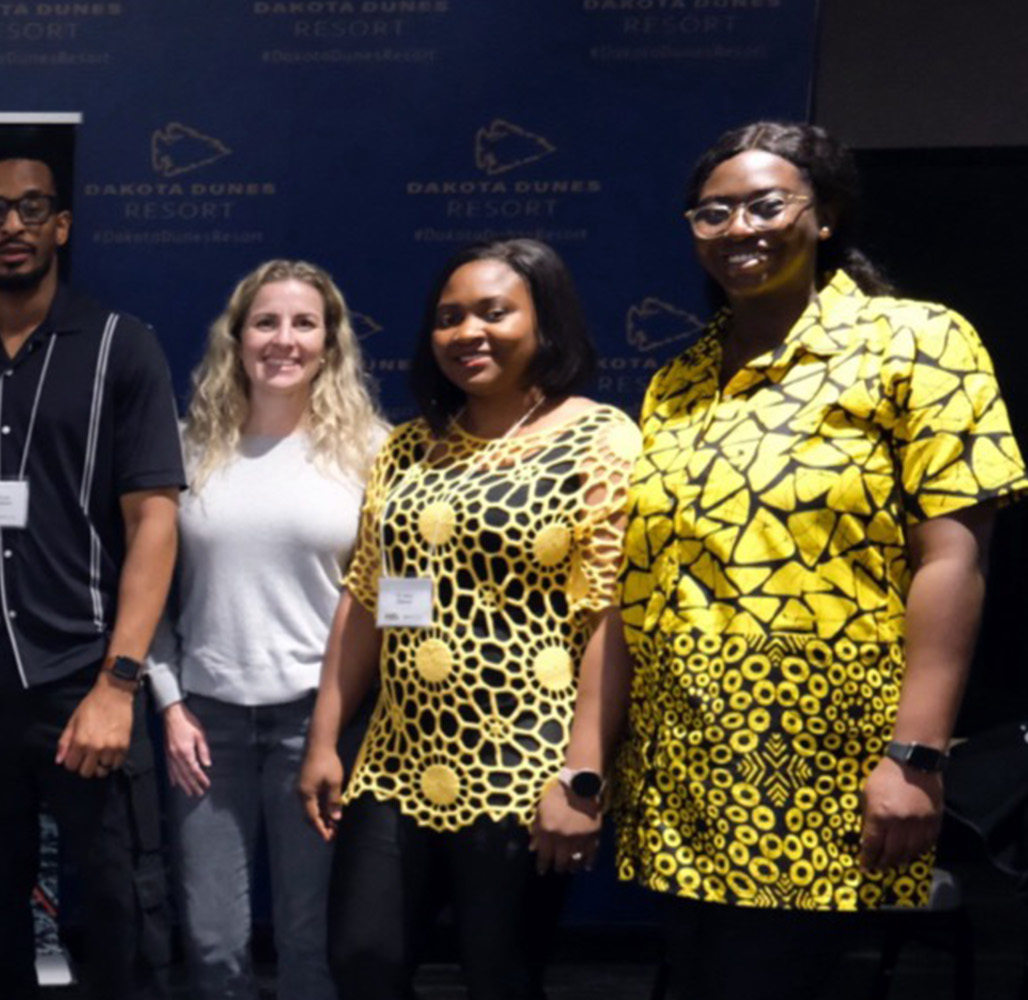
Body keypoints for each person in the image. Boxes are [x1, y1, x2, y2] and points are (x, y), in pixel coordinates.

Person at [545, 121, 1026, 1000]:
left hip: (825, 774)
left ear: (827, 216)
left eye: (767, 206)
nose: (741, 229)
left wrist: (914, 755)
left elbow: (955, 555)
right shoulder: (679, 381)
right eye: (713, 213)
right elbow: (630, 588)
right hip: (679, 771)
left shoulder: (916, 341)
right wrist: (589, 765)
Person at [294, 238, 634, 1000]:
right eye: (449, 318)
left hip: (525, 766)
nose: (467, 332)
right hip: (396, 763)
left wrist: (581, 777)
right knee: (362, 961)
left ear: (544, 323)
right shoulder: (410, 447)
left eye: (493, 312)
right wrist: (324, 738)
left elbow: (608, 617)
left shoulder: (599, 438)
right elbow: (366, 594)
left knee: (500, 979)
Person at [0, 156, 182, 1000]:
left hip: (83, 681)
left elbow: (155, 524)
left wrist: (120, 680)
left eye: (32, 208)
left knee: (111, 915)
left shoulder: (120, 346)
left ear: (62, 225)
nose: (13, 226)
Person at [145, 260, 384, 1000]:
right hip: (205, 725)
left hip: (322, 727)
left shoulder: (374, 453)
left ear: (330, 341)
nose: (284, 340)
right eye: (266, 322)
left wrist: (335, 727)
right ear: (237, 337)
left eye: (304, 323)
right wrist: (169, 703)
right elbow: (147, 591)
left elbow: (391, 601)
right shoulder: (187, 450)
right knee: (215, 950)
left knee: (312, 945)